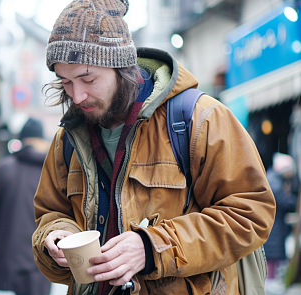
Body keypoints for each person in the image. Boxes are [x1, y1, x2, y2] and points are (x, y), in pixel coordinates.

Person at [31, 0, 276, 294]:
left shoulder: (198, 119)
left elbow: (251, 213)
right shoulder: (67, 138)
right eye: (66, 82)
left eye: (88, 78)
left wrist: (151, 247)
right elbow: (50, 213)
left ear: (121, 67)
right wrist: (57, 237)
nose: (78, 95)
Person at [0, 117, 52, 295]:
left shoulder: (5, 168)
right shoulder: (52, 173)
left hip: (5, 261)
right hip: (41, 266)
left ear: (21, 140)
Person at [264, 153, 298, 280]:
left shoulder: (274, 179)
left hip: (275, 224)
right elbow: (284, 200)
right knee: (272, 254)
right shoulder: (275, 182)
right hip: (274, 225)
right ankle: (271, 280)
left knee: (273, 253)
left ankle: (271, 279)